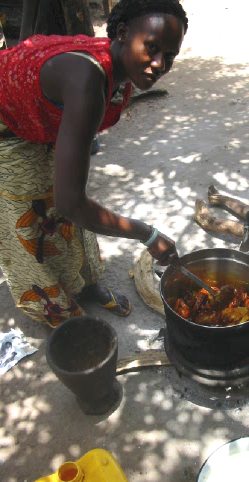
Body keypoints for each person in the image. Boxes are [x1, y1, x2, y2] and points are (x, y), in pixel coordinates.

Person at [0, 0, 188, 327]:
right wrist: (147, 234)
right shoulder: (87, 80)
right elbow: (71, 204)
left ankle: (84, 285)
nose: (160, 64)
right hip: (7, 123)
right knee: (34, 219)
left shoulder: (117, 72)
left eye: (169, 56)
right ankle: (61, 315)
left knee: (69, 204)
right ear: (122, 33)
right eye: (153, 47)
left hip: (36, 115)